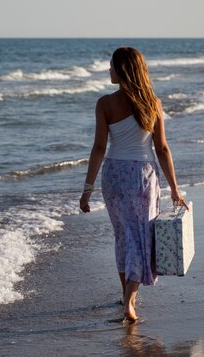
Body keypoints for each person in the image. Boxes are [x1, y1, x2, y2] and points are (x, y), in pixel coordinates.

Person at [79, 46, 187, 323]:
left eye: (112, 66)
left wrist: (87, 189)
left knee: (124, 237)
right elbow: (162, 148)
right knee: (140, 237)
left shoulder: (105, 103)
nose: (109, 71)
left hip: (114, 175)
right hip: (143, 176)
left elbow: (100, 147)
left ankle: (126, 296)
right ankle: (129, 302)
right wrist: (174, 188)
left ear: (123, 70)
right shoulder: (153, 102)